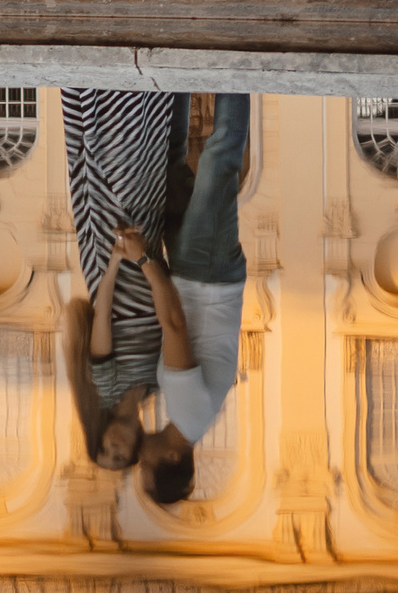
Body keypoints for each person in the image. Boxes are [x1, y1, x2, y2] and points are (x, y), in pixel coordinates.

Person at [123, 92, 251, 505]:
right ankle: (236, 69)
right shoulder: (187, 413)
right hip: (207, 274)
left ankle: (176, 78)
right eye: (147, 468)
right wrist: (143, 258)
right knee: (220, 157)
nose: (140, 461)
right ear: (172, 458)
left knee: (168, 163)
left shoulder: (191, 417)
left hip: (194, 274)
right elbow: (175, 323)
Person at [58, 89, 183, 468]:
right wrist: (146, 258)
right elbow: (170, 316)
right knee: (145, 163)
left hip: (113, 258)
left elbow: (103, 312)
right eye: (119, 456)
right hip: (146, 255)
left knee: (111, 165)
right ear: (134, 451)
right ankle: (143, 93)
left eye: (104, 448)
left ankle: (104, 94)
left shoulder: (106, 387)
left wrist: (115, 257)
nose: (114, 445)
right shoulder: (158, 387)